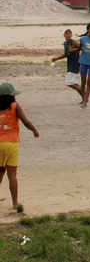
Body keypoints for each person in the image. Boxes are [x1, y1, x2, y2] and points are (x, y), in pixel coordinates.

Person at [0, 82, 40, 210]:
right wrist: (34, 130)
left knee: (0, 173)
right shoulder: (14, 106)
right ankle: (15, 203)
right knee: (12, 175)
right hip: (11, 144)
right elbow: (25, 121)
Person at [51, 29, 83, 102]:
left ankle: (84, 94)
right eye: (67, 34)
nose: (68, 35)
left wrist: (74, 50)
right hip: (70, 64)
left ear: (71, 35)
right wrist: (56, 58)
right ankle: (84, 98)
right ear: (64, 35)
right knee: (75, 83)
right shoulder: (65, 43)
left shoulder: (74, 42)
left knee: (69, 83)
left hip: (75, 64)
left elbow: (81, 49)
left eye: (69, 34)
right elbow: (66, 54)